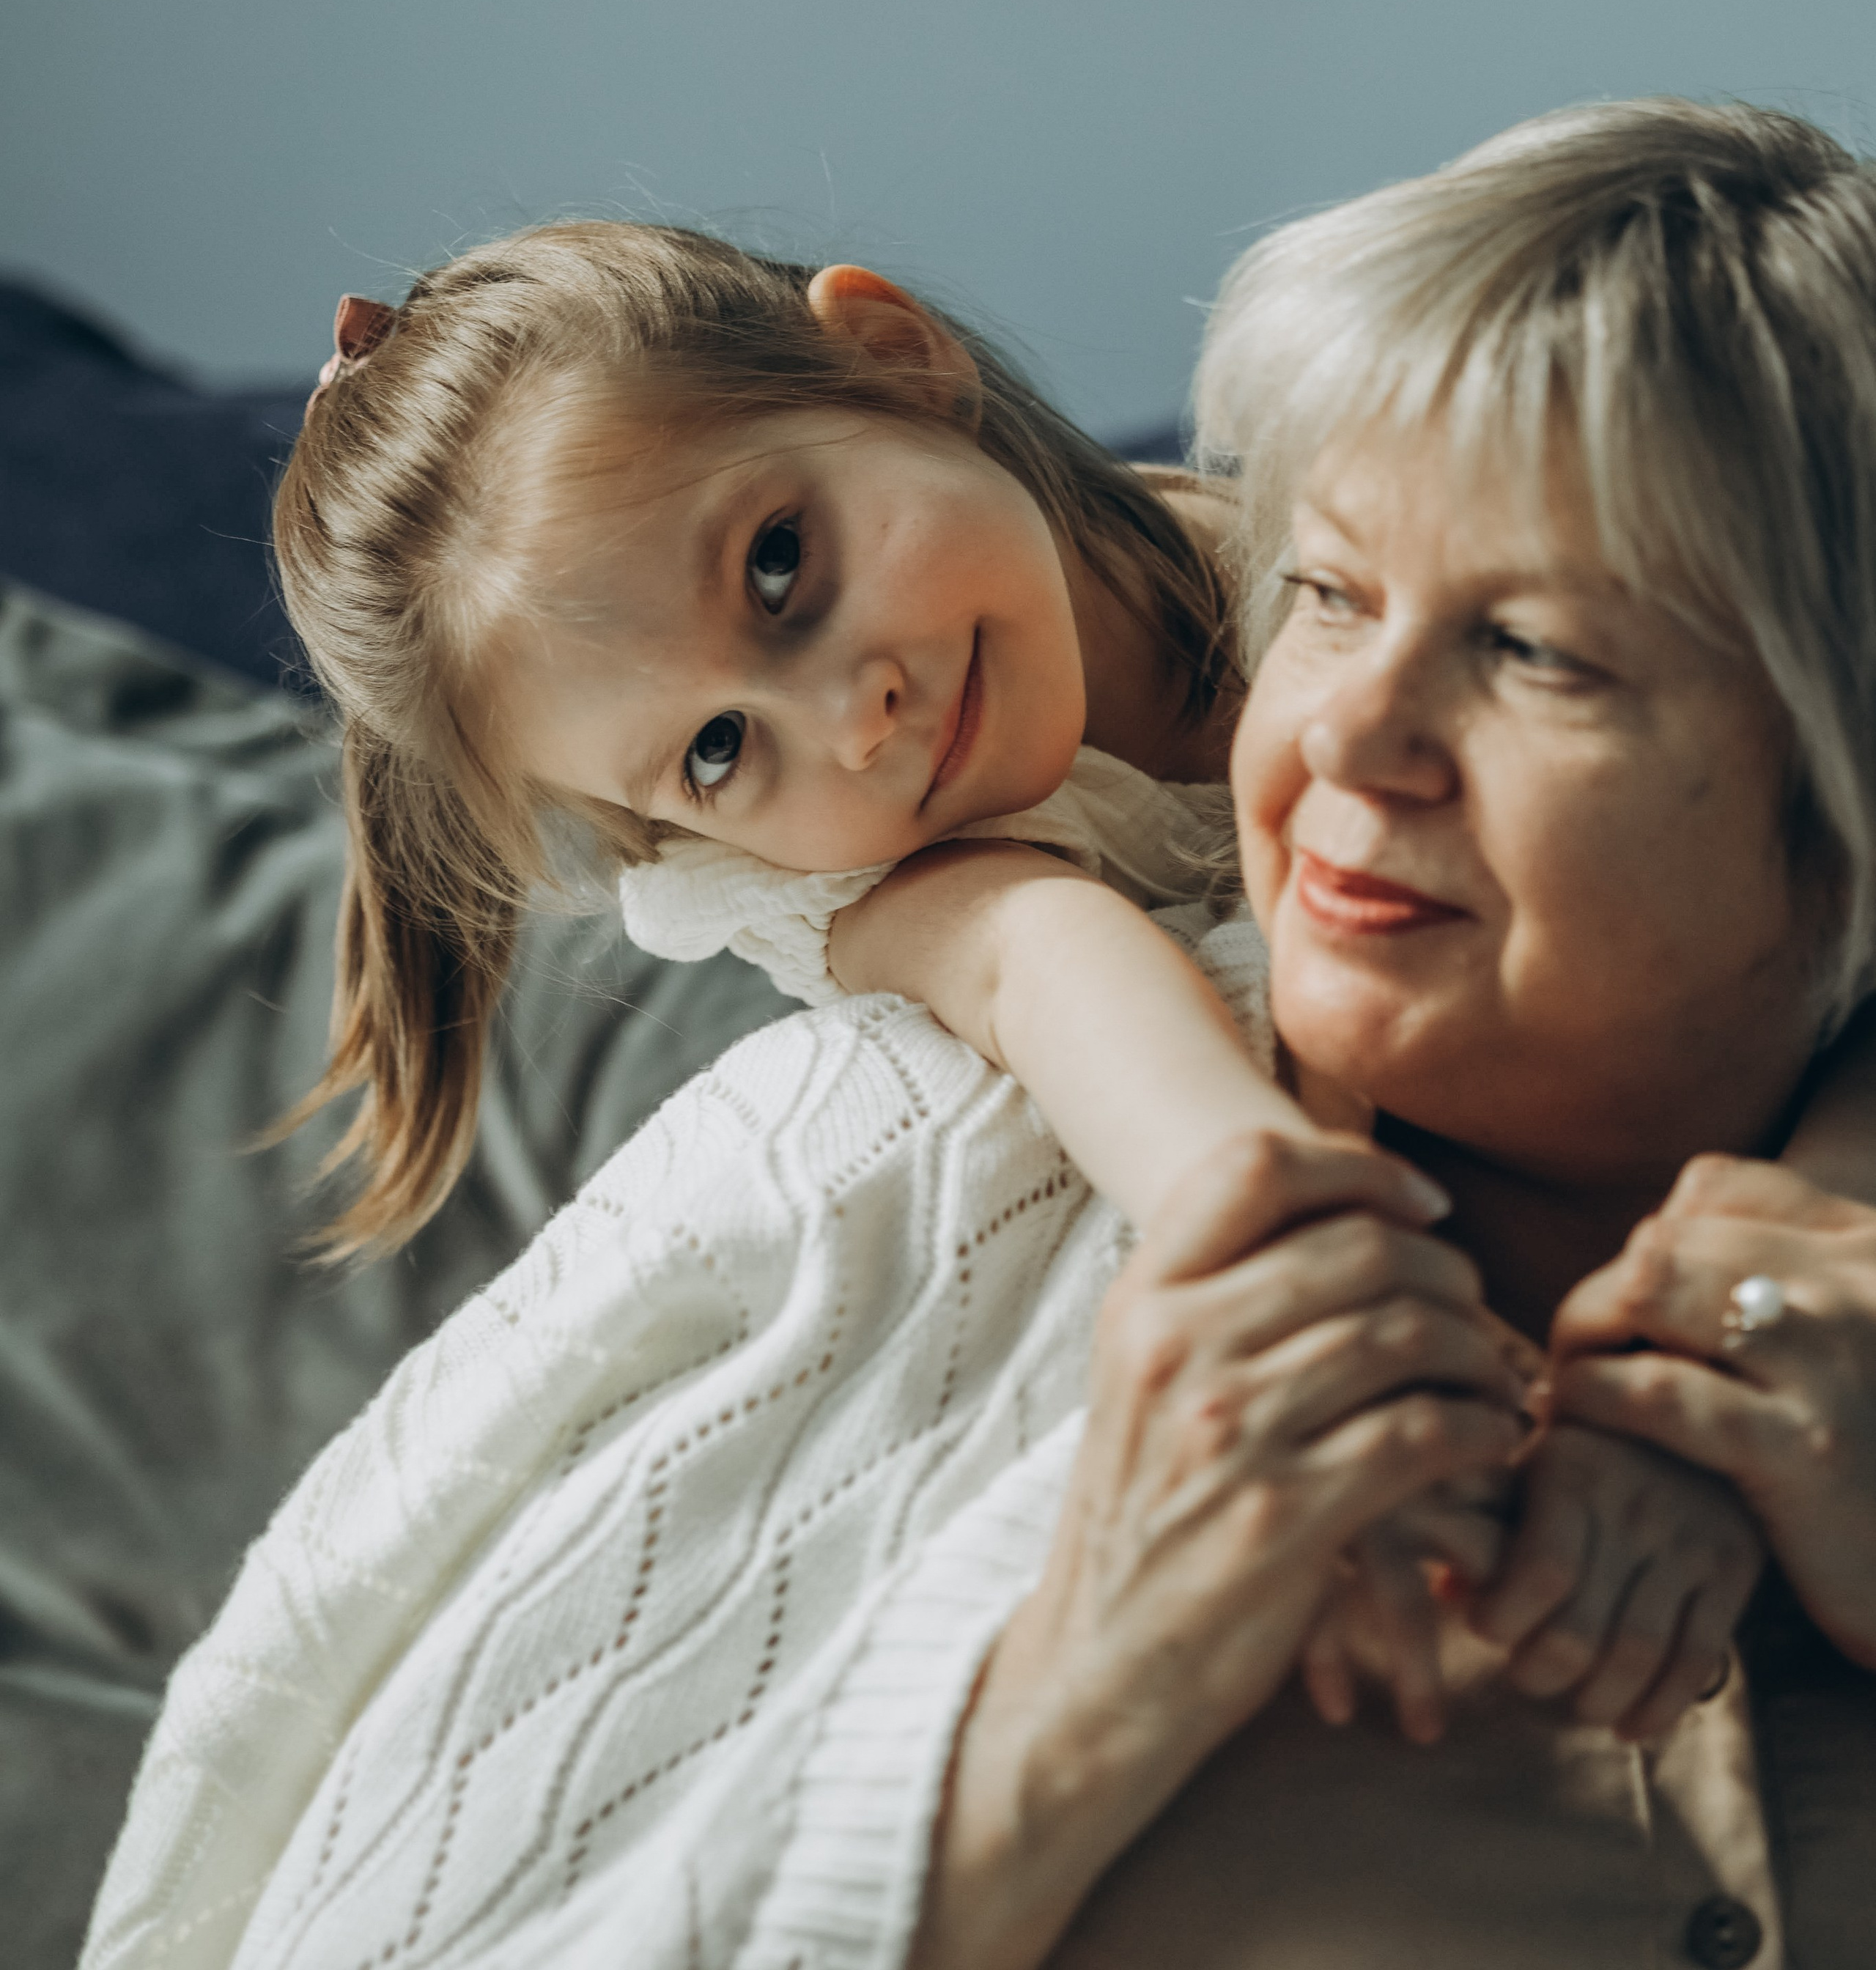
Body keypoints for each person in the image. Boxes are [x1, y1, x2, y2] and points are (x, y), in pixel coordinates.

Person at [82, 103, 1876, 1969]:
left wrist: (1736, 1337)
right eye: (713, 755)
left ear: (894, 360)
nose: (845, 726)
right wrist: (1275, 1230)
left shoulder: (1331, 491)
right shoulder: (897, 956)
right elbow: (1043, 962)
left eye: (780, 565)